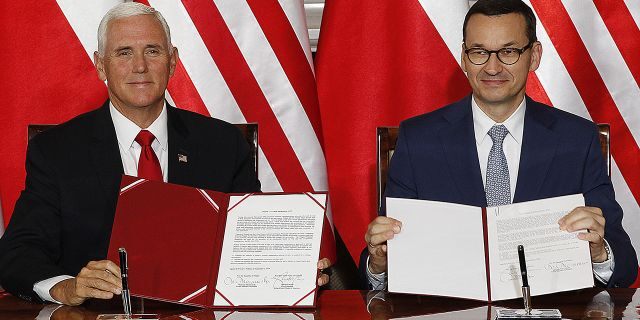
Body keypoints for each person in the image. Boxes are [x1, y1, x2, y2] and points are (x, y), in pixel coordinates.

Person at [0, 3, 330, 306]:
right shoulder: (57, 151)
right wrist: (68, 288)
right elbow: (17, 254)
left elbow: (249, 242)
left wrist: (289, 271)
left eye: (152, 51)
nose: (140, 66)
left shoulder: (224, 145)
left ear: (172, 61)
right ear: (100, 65)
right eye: (124, 52)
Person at [362, 0, 638, 289]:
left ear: (534, 56)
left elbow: (625, 265)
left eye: (508, 51)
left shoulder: (576, 139)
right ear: (464, 58)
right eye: (479, 52)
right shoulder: (418, 140)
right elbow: (376, 259)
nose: (492, 67)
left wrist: (598, 253)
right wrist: (379, 263)